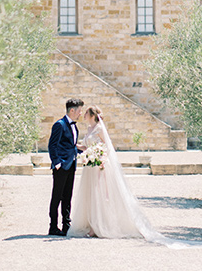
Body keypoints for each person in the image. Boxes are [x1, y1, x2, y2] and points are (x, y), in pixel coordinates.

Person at [69, 105, 176, 245]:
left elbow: (107, 147)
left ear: (92, 115)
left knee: (100, 196)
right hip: (90, 167)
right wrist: (74, 145)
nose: (83, 115)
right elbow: (86, 147)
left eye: (86, 113)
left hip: (100, 166)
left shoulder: (100, 129)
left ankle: (98, 227)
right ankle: (92, 224)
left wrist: (100, 157)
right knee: (90, 196)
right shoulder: (89, 129)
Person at [47, 98, 84, 236]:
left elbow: (70, 146)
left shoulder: (74, 125)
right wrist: (57, 163)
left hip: (71, 165)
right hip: (61, 166)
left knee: (67, 197)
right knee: (57, 197)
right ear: (72, 110)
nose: (81, 113)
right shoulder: (59, 125)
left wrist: (84, 150)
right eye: (79, 111)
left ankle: (66, 225)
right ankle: (53, 227)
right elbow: (52, 145)